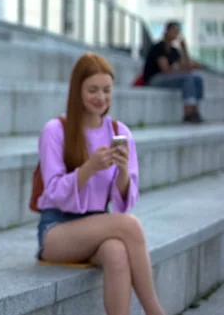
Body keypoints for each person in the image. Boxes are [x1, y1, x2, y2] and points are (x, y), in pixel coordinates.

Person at [36, 53, 165, 315]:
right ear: (77, 91)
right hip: (57, 230)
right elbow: (54, 192)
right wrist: (89, 168)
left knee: (116, 251)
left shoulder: (120, 132)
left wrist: (122, 171)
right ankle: (156, 311)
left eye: (107, 90)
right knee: (129, 225)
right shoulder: (55, 129)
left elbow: (123, 204)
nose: (101, 97)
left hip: (99, 225)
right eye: (92, 90)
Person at [143, 21, 204, 123]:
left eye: (178, 31)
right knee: (188, 78)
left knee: (197, 77)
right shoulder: (159, 47)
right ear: (166, 31)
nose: (176, 34)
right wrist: (178, 68)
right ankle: (188, 113)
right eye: (174, 30)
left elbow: (188, 67)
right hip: (154, 79)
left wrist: (185, 49)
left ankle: (195, 111)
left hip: (167, 78)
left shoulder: (174, 51)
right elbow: (165, 70)